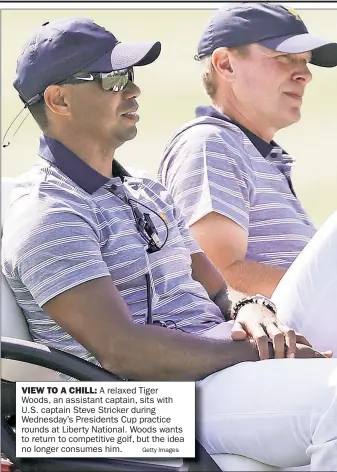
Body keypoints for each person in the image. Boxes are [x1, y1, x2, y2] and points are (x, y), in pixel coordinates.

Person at [1, 17, 337, 471]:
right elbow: (123, 351)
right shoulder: (49, 213)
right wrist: (256, 351)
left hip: (212, 365)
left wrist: (249, 308)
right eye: (113, 78)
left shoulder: (144, 188)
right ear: (59, 99)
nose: (133, 90)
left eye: (132, 76)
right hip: (137, 409)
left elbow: (218, 289)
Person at [158, 2, 337, 298]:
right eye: (285, 58)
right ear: (226, 64)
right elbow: (216, 274)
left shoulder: (250, 152)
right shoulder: (210, 143)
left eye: (305, 61)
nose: (305, 74)